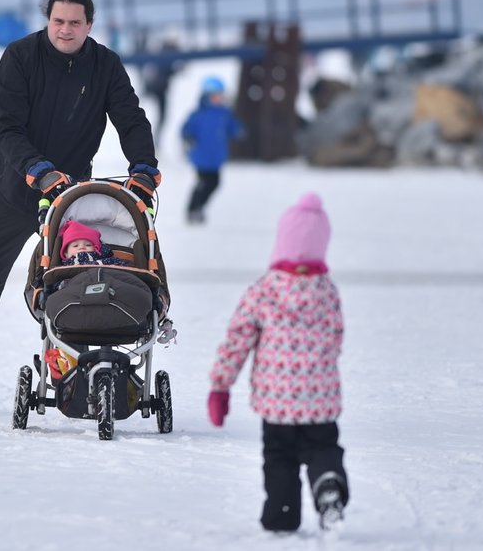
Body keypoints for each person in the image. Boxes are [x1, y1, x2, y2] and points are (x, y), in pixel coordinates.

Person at [0, 0, 161, 409]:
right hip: (11, 191)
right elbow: (9, 128)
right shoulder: (20, 57)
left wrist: (143, 168)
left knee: (81, 276)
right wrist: (38, 170)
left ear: (90, 25)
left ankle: (80, 370)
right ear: (47, 20)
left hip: (71, 199)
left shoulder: (105, 65)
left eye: (75, 22)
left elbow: (131, 119)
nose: (66, 30)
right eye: (58, 21)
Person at [207, 192, 349, 533]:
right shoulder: (326, 290)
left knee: (280, 457)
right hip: (319, 397)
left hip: (276, 399)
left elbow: (237, 340)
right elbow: (335, 336)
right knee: (322, 446)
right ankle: (327, 481)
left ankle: (282, 514)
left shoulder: (264, 290)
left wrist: (220, 386)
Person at [180, 76, 245, 224]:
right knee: (203, 183)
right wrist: (188, 137)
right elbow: (186, 129)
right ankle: (193, 209)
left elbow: (233, 127)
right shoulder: (199, 114)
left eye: (220, 96)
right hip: (201, 157)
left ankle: (199, 207)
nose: (218, 99)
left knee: (214, 183)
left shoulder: (224, 113)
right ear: (206, 96)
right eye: (215, 96)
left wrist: (238, 130)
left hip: (216, 158)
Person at [140, 37, 183, 145]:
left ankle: (154, 141)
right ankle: (154, 141)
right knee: (161, 116)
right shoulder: (166, 54)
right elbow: (165, 71)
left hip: (155, 88)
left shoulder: (162, 52)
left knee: (159, 116)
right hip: (158, 89)